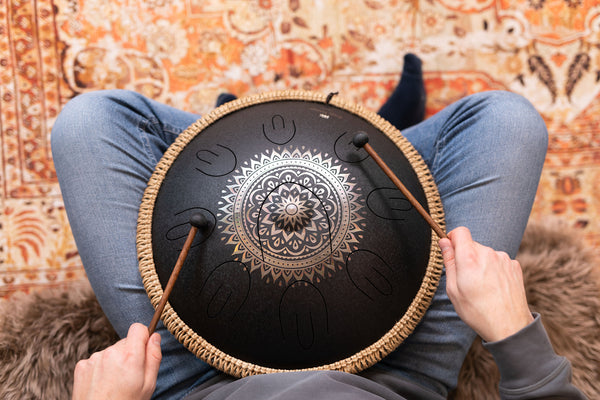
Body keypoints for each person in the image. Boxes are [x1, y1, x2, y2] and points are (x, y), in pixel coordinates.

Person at [51, 55, 587, 399]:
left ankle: (244, 140)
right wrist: (514, 335)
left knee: (89, 121)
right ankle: (359, 137)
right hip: (405, 377)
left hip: (191, 381)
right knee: (506, 121)